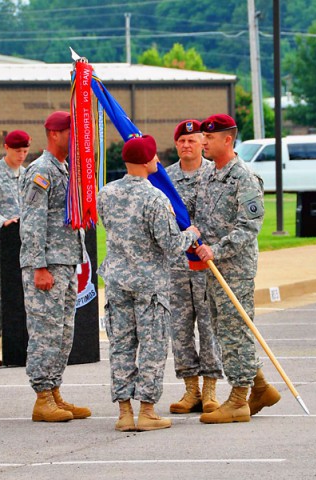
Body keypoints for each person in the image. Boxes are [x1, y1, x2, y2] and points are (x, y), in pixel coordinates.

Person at [97, 134, 201, 432]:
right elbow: (170, 245)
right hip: (150, 285)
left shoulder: (106, 193)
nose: (158, 161)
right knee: (153, 347)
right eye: (155, 156)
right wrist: (191, 233)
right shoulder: (156, 198)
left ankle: (124, 412)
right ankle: (147, 410)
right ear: (146, 161)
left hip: (117, 281)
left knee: (121, 346)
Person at [194, 114, 281, 423]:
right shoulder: (208, 174)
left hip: (234, 267)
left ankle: (238, 400)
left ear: (227, 140)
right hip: (212, 267)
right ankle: (260, 388)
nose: (204, 142)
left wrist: (216, 249)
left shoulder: (244, 176)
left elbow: (249, 226)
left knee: (235, 331)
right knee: (224, 331)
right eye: (203, 137)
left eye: (210, 137)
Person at [20, 111, 91, 422]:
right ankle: (42, 398)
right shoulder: (40, 172)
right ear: (54, 134)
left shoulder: (64, 169)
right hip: (46, 264)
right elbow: (32, 224)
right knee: (45, 332)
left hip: (65, 262)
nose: (74, 138)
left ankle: (54, 391)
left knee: (63, 332)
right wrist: (38, 266)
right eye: (70, 132)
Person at [166, 120, 223, 414]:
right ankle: (191, 389)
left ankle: (211, 388)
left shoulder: (214, 176)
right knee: (180, 328)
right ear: (176, 145)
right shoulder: (165, 179)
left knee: (209, 324)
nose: (187, 145)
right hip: (176, 267)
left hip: (206, 263)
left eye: (192, 140)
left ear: (203, 142)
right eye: (182, 141)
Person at [0, 130, 31, 367]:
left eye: (25, 151)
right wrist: (1, 222)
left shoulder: (27, 174)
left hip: (22, 242)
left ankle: (19, 342)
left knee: (24, 293)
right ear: (6, 147)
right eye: (17, 151)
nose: (21, 155)